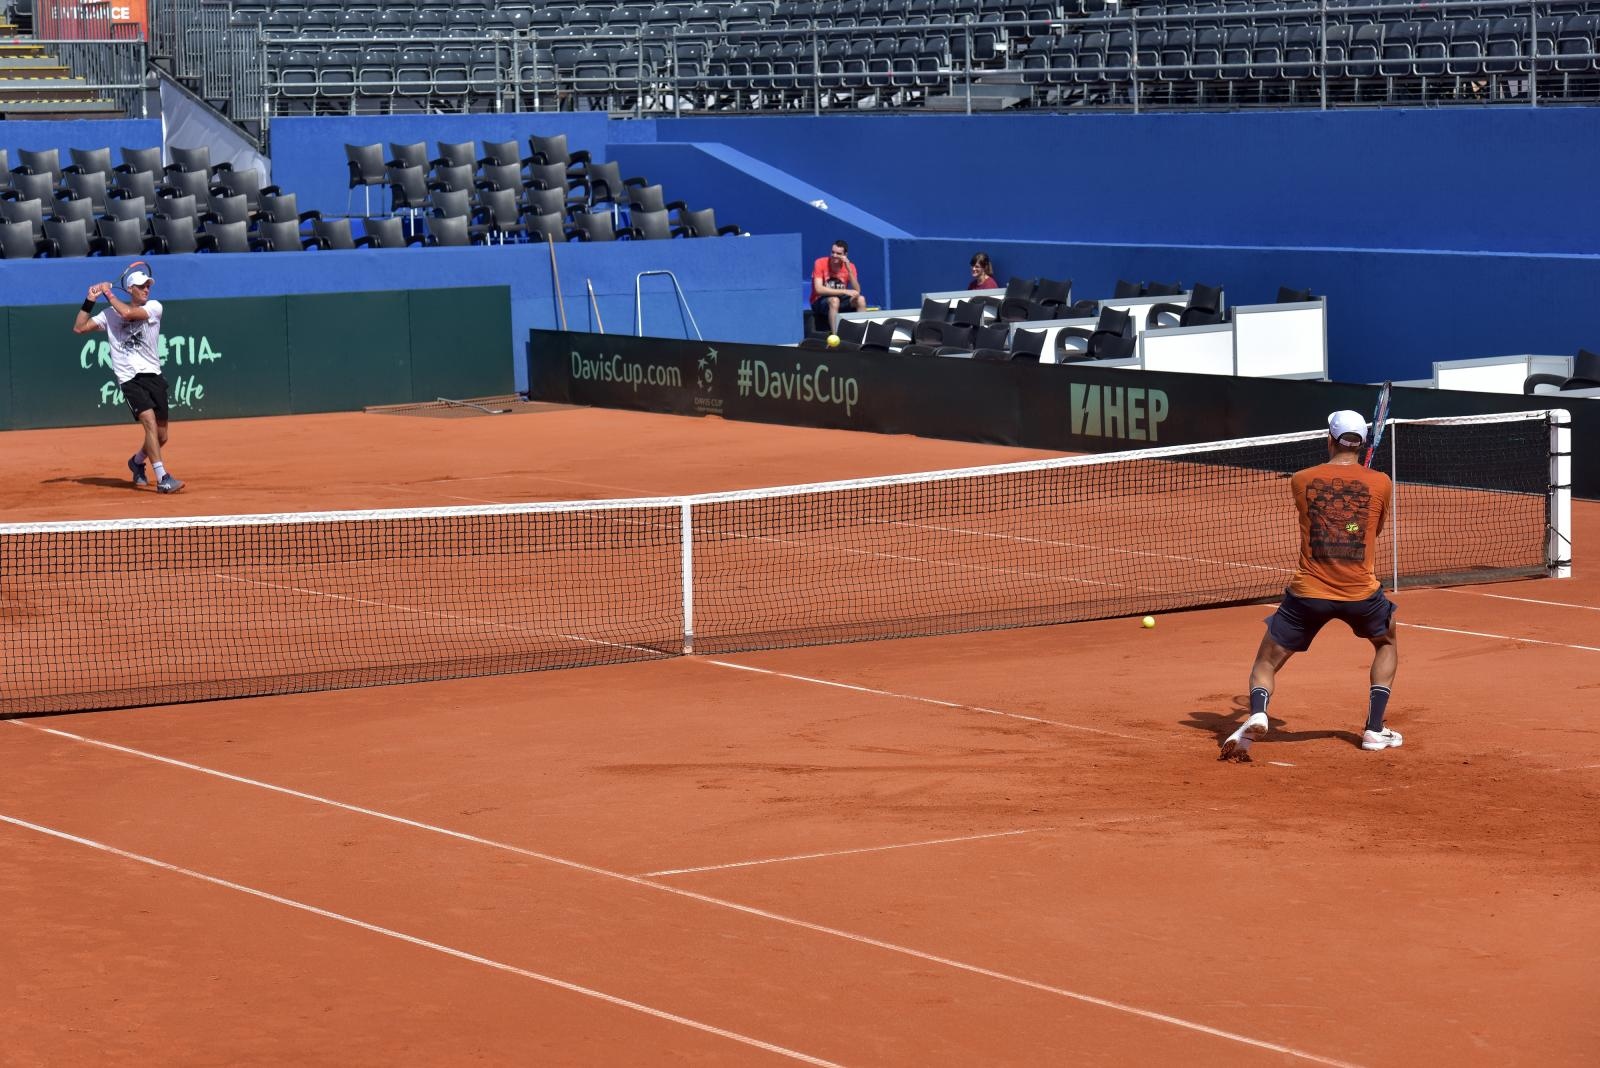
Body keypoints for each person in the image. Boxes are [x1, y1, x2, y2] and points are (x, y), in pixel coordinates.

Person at [1219, 410, 1398, 761]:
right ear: (1362, 443)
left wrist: (1341, 523)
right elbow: (1366, 531)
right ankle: (1374, 730)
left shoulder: (1300, 480)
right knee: (1387, 642)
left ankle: (1258, 712)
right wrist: (1350, 524)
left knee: (1266, 663)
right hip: (1361, 595)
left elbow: (1331, 523)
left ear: (1329, 439)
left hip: (1307, 596)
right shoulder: (1382, 483)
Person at [73, 269, 183, 494]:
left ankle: (136, 461)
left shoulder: (154, 307)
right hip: (129, 379)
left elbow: (127, 314)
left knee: (162, 436)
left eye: (148, 286)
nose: (146, 289)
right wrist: (90, 300)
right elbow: (79, 327)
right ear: (130, 289)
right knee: (149, 423)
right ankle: (163, 478)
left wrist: (108, 294)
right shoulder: (108, 315)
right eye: (141, 286)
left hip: (153, 375)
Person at [811, 239, 865, 336]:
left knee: (861, 300)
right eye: (833, 252)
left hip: (840, 299)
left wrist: (849, 269)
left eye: (838, 253)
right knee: (834, 300)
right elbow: (818, 289)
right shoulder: (820, 263)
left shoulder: (850, 266)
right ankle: (836, 337)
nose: (834, 255)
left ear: (845, 255)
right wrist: (844, 291)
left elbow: (857, 290)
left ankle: (860, 335)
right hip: (819, 301)